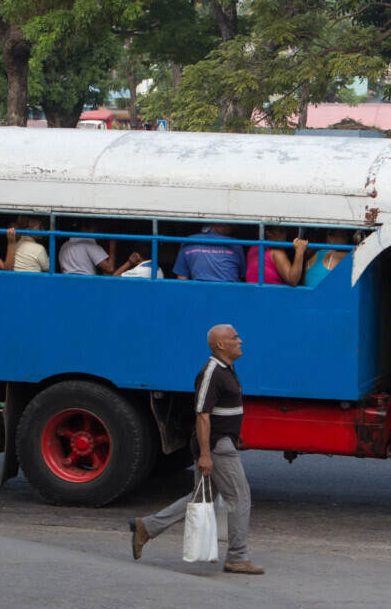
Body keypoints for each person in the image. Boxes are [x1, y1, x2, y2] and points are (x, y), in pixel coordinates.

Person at [128, 324, 263, 574]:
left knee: (200, 497)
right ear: (221, 345)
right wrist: (204, 455)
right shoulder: (212, 371)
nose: (240, 341)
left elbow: (224, 411)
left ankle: (146, 527)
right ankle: (237, 557)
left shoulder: (227, 368)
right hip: (215, 445)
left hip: (222, 441)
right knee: (240, 497)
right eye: (235, 338)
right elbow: (202, 415)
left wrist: (235, 435)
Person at [59, 220, 141, 276]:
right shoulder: (88, 243)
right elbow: (110, 268)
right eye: (94, 232)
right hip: (86, 284)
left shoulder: (64, 245)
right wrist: (113, 244)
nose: (97, 236)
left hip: (67, 284)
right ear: (84, 229)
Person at [174, 223, 246, 282]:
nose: (233, 226)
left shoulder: (188, 241)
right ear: (217, 225)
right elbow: (243, 274)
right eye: (229, 223)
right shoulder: (235, 243)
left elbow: (181, 276)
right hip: (229, 292)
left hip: (199, 292)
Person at [245, 226, 310, 286]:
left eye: (285, 229)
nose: (285, 232)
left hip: (254, 293)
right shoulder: (276, 251)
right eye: (280, 230)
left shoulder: (253, 248)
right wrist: (299, 251)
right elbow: (293, 280)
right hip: (274, 294)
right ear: (268, 233)